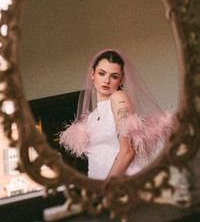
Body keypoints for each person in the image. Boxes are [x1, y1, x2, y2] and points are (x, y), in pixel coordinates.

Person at [59, 49, 175, 180]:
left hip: (120, 185)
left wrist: (106, 187)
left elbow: (128, 151)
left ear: (121, 81)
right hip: (101, 186)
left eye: (114, 76)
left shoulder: (118, 98)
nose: (106, 80)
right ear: (92, 75)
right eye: (101, 73)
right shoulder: (91, 117)